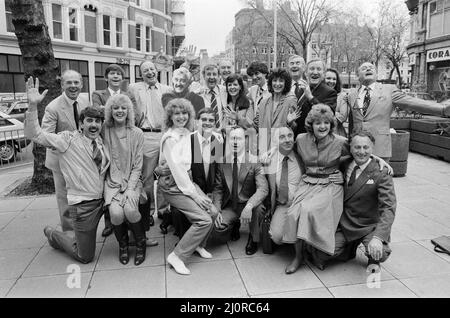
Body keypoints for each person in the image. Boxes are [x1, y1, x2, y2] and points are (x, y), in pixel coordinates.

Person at [25, 77, 108, 264]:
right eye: (89, 121)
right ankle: (53, 235)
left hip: (104, 200)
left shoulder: (100, 142)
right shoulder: (67, 140)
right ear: (81, 124)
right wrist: (32, 106)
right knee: (85, 256)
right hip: (84, 206)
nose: (94, 125)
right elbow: (34, 134)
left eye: (97, 121)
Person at [310, 131, 396, 271]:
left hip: (367, 226)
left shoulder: (382, 173)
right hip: (345, 224)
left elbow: (389, 208)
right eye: (357, 147)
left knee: (381, 253)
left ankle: (371, 254)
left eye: (366, 147)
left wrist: (378, 238)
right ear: (350, 148)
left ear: (372, 147)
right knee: (321, 254)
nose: (361, 151)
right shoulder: (344, 163)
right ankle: (349, 247)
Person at [337, 62, 450, 160]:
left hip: (380, 147)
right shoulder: (351, 95)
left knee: (381, 182)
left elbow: (411, 102)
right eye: (364, 68)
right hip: (357, 148)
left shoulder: (389, 90)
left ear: (376, 74)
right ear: (358, 76)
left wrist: (442, 109)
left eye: (371, 67)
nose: (368, 69)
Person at [159, 98, 216, 275]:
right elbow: (178, 173)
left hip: (186, 181)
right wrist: (196, 195)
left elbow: (205, 137)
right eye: (177, 113)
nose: (181, 116)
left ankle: (198, 245)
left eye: (184, 113)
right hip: (173, 186)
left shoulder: (186, 132)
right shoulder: (170, 138)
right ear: (170, 116)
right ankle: (177, 256)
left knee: (213, 212)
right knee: (204, 219)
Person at [103, 94, 148, 266]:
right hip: (112, 182)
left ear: (129, 111)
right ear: (110, 111)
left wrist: (130, 189)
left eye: (123, 108)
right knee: (115, 214)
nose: (119, 111)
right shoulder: (104, 130)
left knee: (130, 210)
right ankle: (123, 246)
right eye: (116, 108)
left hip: (132, 181)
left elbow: (138, 166)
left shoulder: (137, 133)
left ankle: (140, 244)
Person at [41, 69, 89, 233]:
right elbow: (45, 137)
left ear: (81, 84)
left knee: (81, 195)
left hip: (81, 160)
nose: (73, 86)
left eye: (76, 82)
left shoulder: (85, 101)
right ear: (62, 85)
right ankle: (69, 232)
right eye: (69, 82)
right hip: (60, 160)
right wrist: (67, 143)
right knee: (64, 197)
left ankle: (82, 228)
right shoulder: (53, 107)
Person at [165, 108, 224, 238]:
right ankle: (183, 238)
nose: (207, 123)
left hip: (208, 195)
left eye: (211, 120)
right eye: (204, 119)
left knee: (219, 230)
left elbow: (218, 181)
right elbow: (182, 176)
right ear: (197, 121)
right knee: (177, 213)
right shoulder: (187, 141)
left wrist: (217, 207)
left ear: (215, 124)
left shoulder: (217, 143)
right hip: (189, 193)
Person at [128, 60, 171, 231]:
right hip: (146, 134)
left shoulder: (167, 90)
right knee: (147, 176)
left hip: (165, 134)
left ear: (157, 70)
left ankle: (163, 210)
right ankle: (149, 211)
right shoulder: (134, 88)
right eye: (145, 70)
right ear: (141, 74)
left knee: (165, 174)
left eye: (152, 69)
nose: (150, 72)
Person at [212, 126, 269, 255]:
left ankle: (253, 238)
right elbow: (218, 188)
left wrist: (249, 206)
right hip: (231, 205)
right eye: (232, 138)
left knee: (258, 209)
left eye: (239, 138)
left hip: (249, 203)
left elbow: (263, 188)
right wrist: (216, 209)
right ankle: (234, 225)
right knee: (216, 228)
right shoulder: (222, 162)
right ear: (228, 141)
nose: (236, 142)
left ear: (245, 141)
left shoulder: (255, 161)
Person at [91, 63, 127, 238]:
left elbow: (134, 112)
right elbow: (98, 111)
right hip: (105, 141)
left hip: (124, 141)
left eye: (118, 74)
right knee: (107, 180)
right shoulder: (98, 94)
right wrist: (116, 108)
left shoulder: (128, 95)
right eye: (112, 74)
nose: (115, 77)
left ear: (122, 78)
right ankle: (109, 222)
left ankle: (126, 218)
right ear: (106, 78)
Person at [263, 127, 303, 245]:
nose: (287, 140)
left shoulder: (301, 154)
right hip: (283, 205)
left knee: (304, 230)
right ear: (275, 141)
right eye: (282, 137)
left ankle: (301, 244)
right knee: (276, 237)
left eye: (290, 136)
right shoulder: (269, 160)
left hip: (301, 203)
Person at [254, 68, 298, 154]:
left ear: (286, 84)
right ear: (270, 82)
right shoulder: (263, 102)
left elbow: (292, 129)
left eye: (281, 81)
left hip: (280, 150)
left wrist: (290, 123)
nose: (277, 84)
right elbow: (256, 125)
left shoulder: (290, 101)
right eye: (274, 80)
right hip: (263, 149)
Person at [292, 59, 337, 138]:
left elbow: (329, 114)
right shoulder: (301, 89)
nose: (315, 72)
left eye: (319, 69)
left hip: (315, 139)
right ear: (306, 73)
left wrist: (310, 97)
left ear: (323, 74)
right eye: (312, 69)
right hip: (297, 136)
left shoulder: (330, 92)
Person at [200, 64, 228, 129]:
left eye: (214, 74)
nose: (212, 77)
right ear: (204, 76)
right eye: (209, 74)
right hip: (205, 133)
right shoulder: (199, 94)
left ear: (218, 76)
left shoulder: (225, 91)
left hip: (222, 134)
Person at [324, 68, 348, 138]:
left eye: (334, 79)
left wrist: (324, 111)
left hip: (336, 133)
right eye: (328, 78)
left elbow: (342, 117)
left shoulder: (342, 96)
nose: (331, 81)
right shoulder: (317, 94)